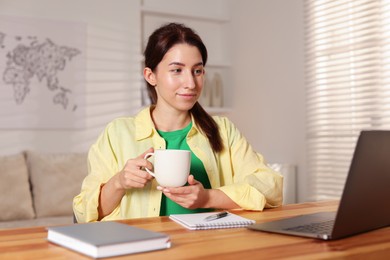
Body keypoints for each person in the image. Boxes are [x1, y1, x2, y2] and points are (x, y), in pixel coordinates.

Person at [73, 22, 283, 223]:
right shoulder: (117, 133)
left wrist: (208, 198)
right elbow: (84, 213)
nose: (191, 83)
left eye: (197, 71)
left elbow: (271, 187)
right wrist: (118, 182)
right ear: (150, 75)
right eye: (177, 70)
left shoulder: (223, 130)